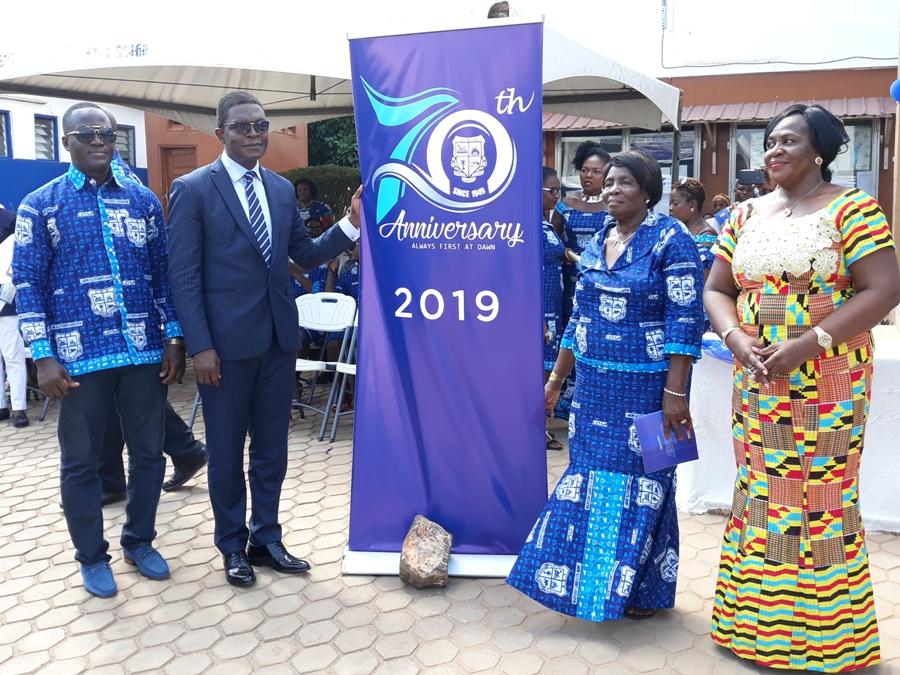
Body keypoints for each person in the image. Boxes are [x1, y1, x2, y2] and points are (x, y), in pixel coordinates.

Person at [704, 104, 900, 672]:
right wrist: (738, 339)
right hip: (757, 381)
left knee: (816, 500)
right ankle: (752, 628)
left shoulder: (853, 208)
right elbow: (717, 288)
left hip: (826, 384)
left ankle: (822, 641)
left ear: (820, 151)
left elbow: (884, 289)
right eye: (769, 141)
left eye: (789, 140)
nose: (774, 149)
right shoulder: (744, 214)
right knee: (761, 495)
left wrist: (809, 343)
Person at [167, 91, 361, 588]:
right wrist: (201, 347)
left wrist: (351, 224)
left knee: (271, 448)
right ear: (221, 134)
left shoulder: (278, 188)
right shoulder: (193, 189)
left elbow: (306, 252)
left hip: (278, 340)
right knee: (228, 453)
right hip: (223, 351)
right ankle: (231, 545)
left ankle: (266, 537)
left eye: (260, 125)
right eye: (242, 127)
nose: (254, 134)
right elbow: (183, 277)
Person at [507, 150, 704, 621]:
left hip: (651, 391)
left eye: (625, 183)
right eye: (610, 182)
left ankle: (640, 590)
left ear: (649, 191)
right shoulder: (599, 238)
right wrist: (556, 379)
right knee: (588, 481)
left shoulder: (670, 239)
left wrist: (675, 395)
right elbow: (579, 317)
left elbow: (685, 319)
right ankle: (599, 588)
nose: (613, 189)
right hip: (593, 390)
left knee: (651, 485)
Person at [13, 102, 185, 598]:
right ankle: (91, 556)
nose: (98, 141)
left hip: (142, 352)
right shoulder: (40, 205)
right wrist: (42, 354)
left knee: (150, 454)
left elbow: (163, 275)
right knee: (81, 462)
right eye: (85, 134)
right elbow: (27, 283)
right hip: (76, 356)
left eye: (106, 134)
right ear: (65, 142)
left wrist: (173, 339)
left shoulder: (142, 201)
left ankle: (140, 540)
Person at [550, 142, 611, 419]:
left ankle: (593, 402)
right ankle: (563, 405)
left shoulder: (615, 203)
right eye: (585, 170)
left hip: (602, 285)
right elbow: (553, 241)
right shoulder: (565, 204)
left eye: (596, 171)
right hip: (569, 284)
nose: (588, 176)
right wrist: (567, 254)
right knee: (569, 336)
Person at [540, 167, 565, 450]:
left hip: (553, 308)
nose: (557, 197)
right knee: (539, 372)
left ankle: (542, 425)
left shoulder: (546, 223)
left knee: (547, 371)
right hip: (539, 312)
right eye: (552, 191)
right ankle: (538, 429)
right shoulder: (522, 226)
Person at [0, 206, 29, 427]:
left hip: (7, 305)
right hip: (7, 304)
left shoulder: (11, 231)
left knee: (13, 357)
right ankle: (4, 406)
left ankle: (19, 408)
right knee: (12, 358)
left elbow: (13, 273)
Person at [669, 178, 717, 279]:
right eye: (670, 203)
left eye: (675, 203)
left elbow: (704, 277)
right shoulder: (678, 230)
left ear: (692, 205)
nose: (670, 208)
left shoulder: (707, 236)